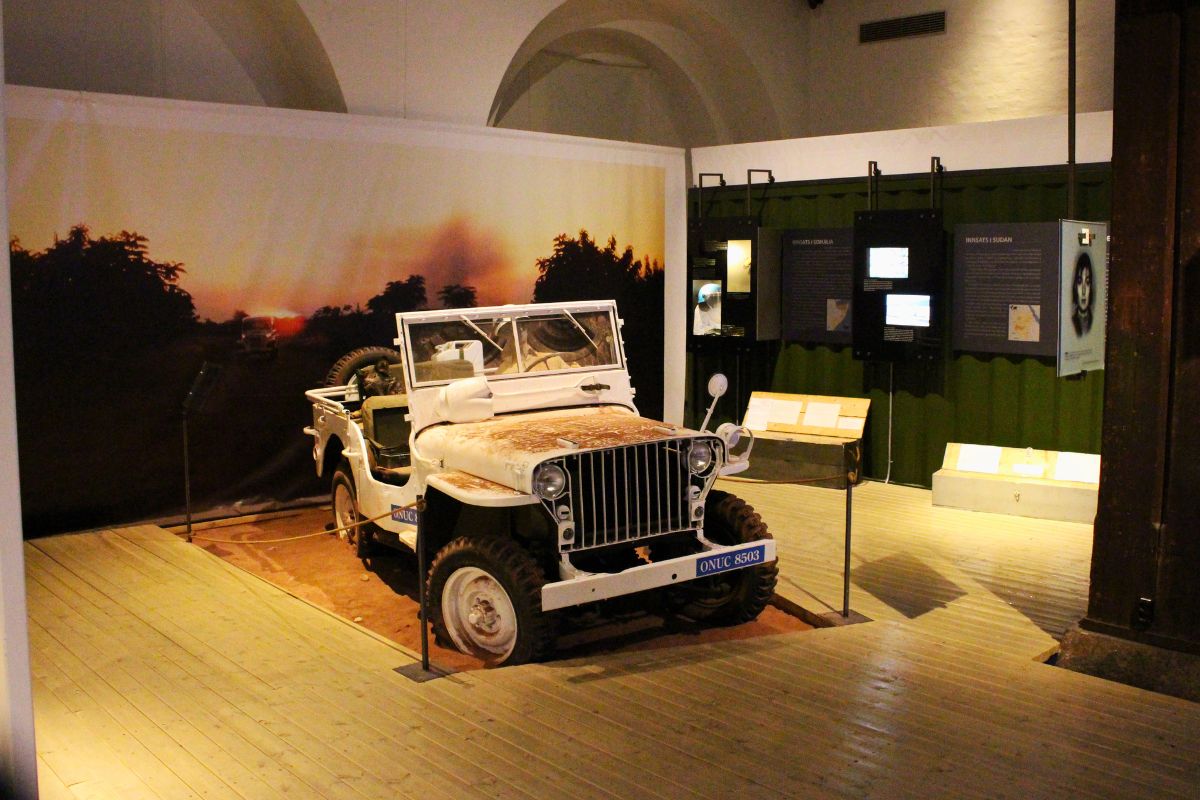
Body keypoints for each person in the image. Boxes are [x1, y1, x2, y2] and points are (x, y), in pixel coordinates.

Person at [1070, 253, 1094, 337]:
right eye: (1080, 282)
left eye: (1087, 282)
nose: (1083, 291)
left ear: (1091, 287)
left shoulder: (1094, 322)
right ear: (1075, 287)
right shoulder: (1072, 322)